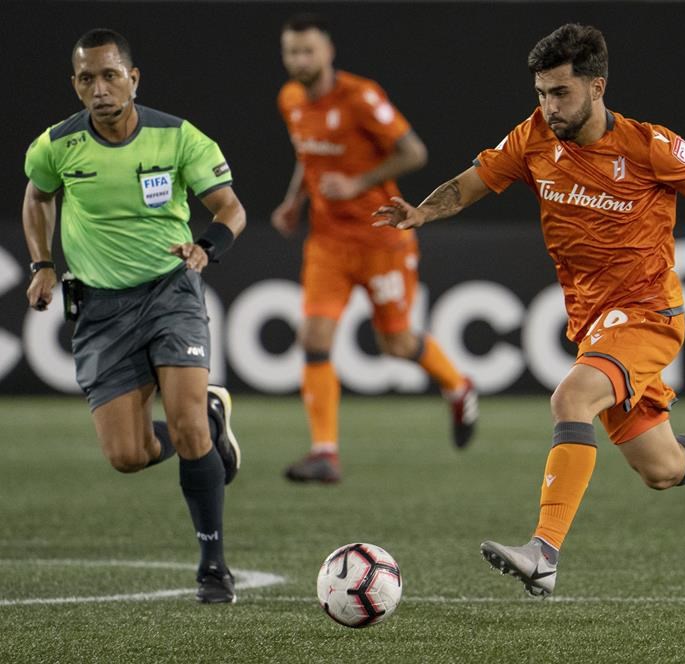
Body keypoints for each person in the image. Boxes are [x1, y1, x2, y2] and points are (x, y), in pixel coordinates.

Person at [375, 23, 685, 597]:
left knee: (570, 398)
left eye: (560, 94)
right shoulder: (532, 138)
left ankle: (544, 554)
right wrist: (423, 213)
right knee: (664, 467)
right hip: (594, 323)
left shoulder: (650, 146)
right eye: (541, 94)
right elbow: (473, 182)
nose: (548, 107)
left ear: (597, 87)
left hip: (648, 313)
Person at [22, 29, 246, 603]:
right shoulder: (56, 146)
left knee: (187, 425)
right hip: (99, 308)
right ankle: (214, 424)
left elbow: (229, 208)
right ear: (75, 86)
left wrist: (206, 247)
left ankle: (214, 567)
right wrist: (42, 263)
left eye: (110, 75)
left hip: (171, 292)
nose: (100, 88)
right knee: (127, 456)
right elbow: (36, 196)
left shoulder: (178, 137)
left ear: (133, 78)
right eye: (87, 79)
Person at [273, 13, 478, 484]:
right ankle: (325, 452)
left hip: (382, 238)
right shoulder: (290, 100)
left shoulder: (361, 96)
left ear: (328, 52)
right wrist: (292, 202)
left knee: (396, 343)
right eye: (291, 51)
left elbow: (414, 152)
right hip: (328, 241)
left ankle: (459, 386)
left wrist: (359, 182)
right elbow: (309, 156)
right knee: (314, 337)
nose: (299, 60)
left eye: (308, 50)